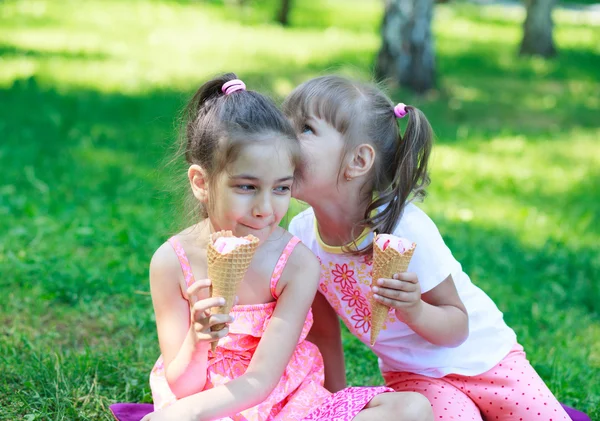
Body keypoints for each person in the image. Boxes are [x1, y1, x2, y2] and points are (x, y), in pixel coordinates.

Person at [142, 73, 433, 421]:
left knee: (411, 408)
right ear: (202, 183)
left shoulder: (295, 263)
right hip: (210, 407)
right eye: (247, 187)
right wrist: (198, 339)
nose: (266, 209)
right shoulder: (171, 263)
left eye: (281, 188)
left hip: (291, 405)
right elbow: (182, 388)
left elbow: (263, 380)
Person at [282, 74, 571, 420]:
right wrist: (335, 404)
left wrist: (414, 309)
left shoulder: (405, 228)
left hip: (487, 362)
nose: (283, 137)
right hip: (415, 377)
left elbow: (457, 325)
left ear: (358, 162)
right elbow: (322, 331)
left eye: (305, 129)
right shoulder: (302, 235)